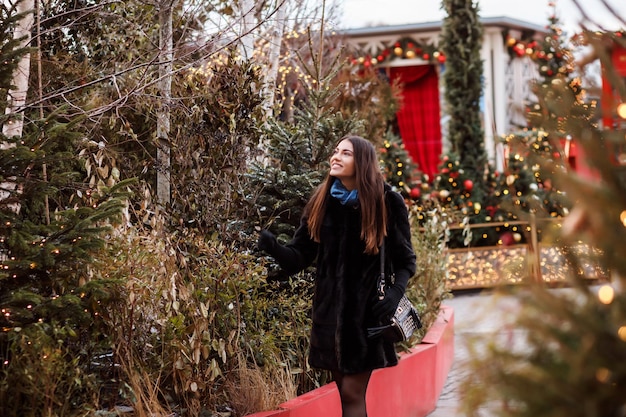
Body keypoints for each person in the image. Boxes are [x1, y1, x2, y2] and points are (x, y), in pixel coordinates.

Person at [257, 135, 416, 417]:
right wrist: (273, 247)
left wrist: (394, 295)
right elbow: (299, 256)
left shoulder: (387, 201)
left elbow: (406, 261)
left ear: (362, 161)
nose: (336, 157)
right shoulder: (322, 201)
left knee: (353, 395)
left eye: (346, 153)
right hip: (329, 318)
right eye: (335, 151)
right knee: (346, 394)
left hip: (366, 319)